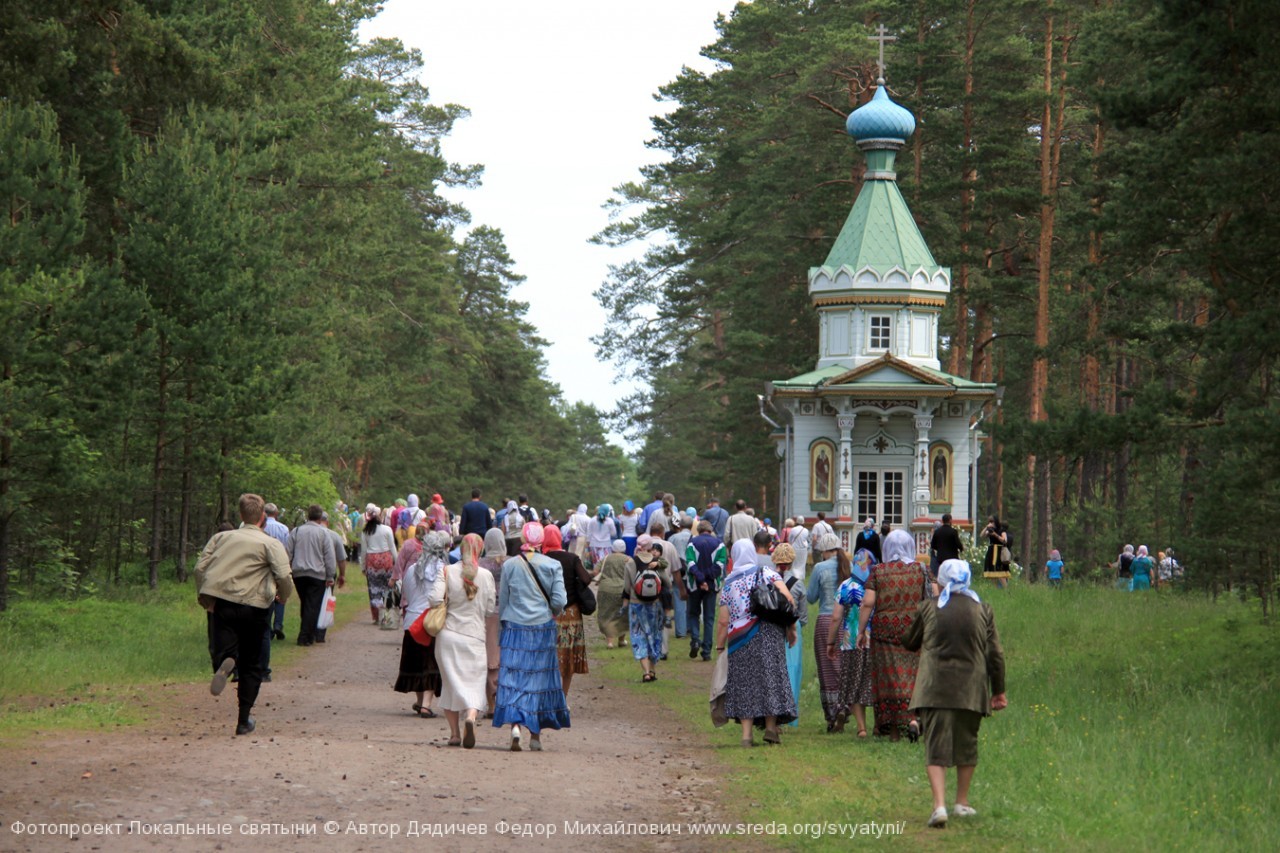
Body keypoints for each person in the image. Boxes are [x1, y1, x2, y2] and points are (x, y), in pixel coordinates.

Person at [903, 559, 1007, 828]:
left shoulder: (929, 609)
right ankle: (961, 802)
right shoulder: (983, 609)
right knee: (967, 744)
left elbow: (910, 641)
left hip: (934, 687)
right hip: (971, 690)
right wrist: (999, 692)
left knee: (935, 745)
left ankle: (939, 807)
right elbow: (995, 654)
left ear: (941, 582)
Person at [196, 493, 294, 736]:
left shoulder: (220, 538)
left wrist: (206, 599)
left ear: (241, 515)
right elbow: (283, 576)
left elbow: (200, 568)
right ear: (263, 517)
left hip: (223, 602)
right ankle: (243, 719)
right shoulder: (270, 543)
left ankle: (225, 661)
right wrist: (283, 596)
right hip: (256, 606)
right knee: (253, 664)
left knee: (224, 645)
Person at [714, 539, 798, 747]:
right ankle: (770, 728)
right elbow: (788, 598)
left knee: (745, 684)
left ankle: (746, 735)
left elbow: (723, 620)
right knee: (770, 679)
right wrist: (791, 628)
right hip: (769, 632)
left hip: (739, 638)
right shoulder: (767, 572)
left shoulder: (728, 584)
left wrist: (719, 646)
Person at [494, 522, 569, 752]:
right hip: (541, 629)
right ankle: (535, 736)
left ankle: (515, 726)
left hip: (515, 628)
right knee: (538, 680)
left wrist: (502, 627)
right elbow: (559, 601)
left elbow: (504, 600)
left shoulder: (510, 565)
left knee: (514, 677)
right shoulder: (553, 565)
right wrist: (551, 612)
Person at [858, 528, 937, 741]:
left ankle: (893, 732)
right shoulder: (921, 570)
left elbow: (868, 602)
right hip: (915, 631)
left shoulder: (878, 571)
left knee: (889, 678)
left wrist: (861, 630)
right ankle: (913, 719)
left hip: (884, 632)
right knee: (913, 676)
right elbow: (934, 596)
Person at [431, 533, 496, 748]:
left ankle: (454, 734)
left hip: (448, 634)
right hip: (475, 636)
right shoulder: (486, 576)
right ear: (480, 549)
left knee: (450, 683)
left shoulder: (447, 571)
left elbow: (434, 599)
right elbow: (488, 609)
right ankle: (470, 715)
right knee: (475, 682)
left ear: (461, 549)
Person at [395, 529, 447, 718]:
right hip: (432, 623)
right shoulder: (444, 570)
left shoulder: (411, 570)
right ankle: (426, 704)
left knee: (416, 664)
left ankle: (419, 701)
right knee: (432, 664)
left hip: (412, 622)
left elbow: (407, 595)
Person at [828, 544, 874, 738]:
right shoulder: (875, 585)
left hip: (850, 641)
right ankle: (880, 725)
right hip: (873, 640)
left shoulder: (845, 586)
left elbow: (836, 617)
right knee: (871, 683)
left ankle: (861, 728)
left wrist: (830, 642)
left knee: (854, 683)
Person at [541, 524, 592, 696]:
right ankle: (563, 696)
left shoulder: (542, 558)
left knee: (550, 655)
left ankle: (550, 694)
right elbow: (586, 578)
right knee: (568, 656)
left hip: (548, 613)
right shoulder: (572, 558)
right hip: (571, 612)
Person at [807, 533, 846, 731]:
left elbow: (811, 597)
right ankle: (845, 705)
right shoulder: (848, 568)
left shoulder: (820, 568)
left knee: (826, 667)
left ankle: (832, 714)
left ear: (824, 551)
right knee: (844, 665)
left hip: (825, 620)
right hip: (847, 621)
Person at [288, 504, 338, 646]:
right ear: (320, 516)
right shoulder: (323, 533)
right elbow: (329, 556)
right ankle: (305, 636)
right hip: (317, 574)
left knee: (306, 603)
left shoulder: (296, 531)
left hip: (299, 573)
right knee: (312, 605)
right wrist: (330, 576)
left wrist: (288, 568)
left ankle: (307, 633)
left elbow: (289, 552)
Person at [624, 535, 671, 682]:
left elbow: (626, 587)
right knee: (654, 635)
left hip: (636, 604)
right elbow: (668, 583)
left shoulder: (631, 562)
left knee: (639, 636)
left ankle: (645, 672)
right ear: (651, 547)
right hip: (654, 605)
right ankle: (652, 670)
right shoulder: (656, 562)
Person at [772, 542, 807, 729]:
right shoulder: (798, 585)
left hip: (773, 627)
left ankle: (773, 713)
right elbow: (803, 616)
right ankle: (790, 715)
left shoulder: (768, 581)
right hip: (793, 627)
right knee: (792, 669)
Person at [684, 521, 726, 661]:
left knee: (694, 614)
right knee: (709, 617)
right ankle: (707, 650)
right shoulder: (719, 544)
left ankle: (695, 639)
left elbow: (690, 563)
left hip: (694, 584)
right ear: (710, 530)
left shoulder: (692, 543)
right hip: (712, 585)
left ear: (699, 530)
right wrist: (707, 580)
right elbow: (719, 565)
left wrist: (700, 579)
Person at [478, 527, 508, 714]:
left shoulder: (480, 564)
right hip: (507, 614)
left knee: (488, 659)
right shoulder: (512, 563)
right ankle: (503, 700)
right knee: (504, 658)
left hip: (486, 614)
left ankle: (490, 704)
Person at [360, 504, 398, 623]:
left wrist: (362, 566)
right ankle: (387, 616)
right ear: (380, 517)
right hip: (386, 560)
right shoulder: (387, 529)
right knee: (387, 588)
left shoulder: (365, 531)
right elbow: (392, 548)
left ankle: (376, 617)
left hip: (371, 561)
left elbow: (363, 550)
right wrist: (397, 563)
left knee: (373, 588)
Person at [596, 540, 633, 649]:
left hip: (605, 588)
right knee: (622, 614)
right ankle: (621, 640)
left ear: (612, 548)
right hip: (623, 589)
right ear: (624, 549)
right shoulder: (628, 559)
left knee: (607, 614)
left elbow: (595, 571)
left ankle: (610, 642)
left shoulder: (606, 558)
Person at [263, 503, 291, 641]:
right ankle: (278, 624)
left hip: (263, 566)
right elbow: (287, 549)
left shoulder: (260, 527)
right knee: (281, 595)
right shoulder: (284, 528)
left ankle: (267, 627)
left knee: (266, 595)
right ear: (276, 513)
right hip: (279, 565)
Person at [669, 515, 695, 640]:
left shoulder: (673, 538)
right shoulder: (695, 538)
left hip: (677, 571)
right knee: (692, 600)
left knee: (679, 601)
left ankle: (681, 631)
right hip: (692, 572)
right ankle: (690, 627)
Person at [930, 514, 963, 581]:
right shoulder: (953, 532)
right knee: (951, 575)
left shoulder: (937, 532)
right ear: (950, 520)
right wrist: (961, 548)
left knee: (942, 575)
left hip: (941, 558)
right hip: (952, 558)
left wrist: (940, 549)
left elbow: (933, 545)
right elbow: (958, 544)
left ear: (942, 521)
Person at [981, 516, 1011, 588]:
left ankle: (1006, 590)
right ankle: (995, 589)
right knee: (992, 572)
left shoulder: (1001, 530)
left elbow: (1004, 540)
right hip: (991, 551)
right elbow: (982, 535)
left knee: (1000, 573)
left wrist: (995, 535)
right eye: (989, 522)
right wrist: (986, 527)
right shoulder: (990, 530)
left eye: (992, 522)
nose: (991, 523)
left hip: (999, 551)